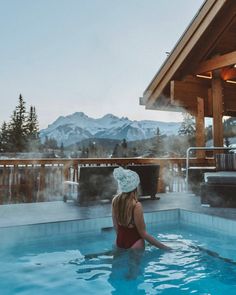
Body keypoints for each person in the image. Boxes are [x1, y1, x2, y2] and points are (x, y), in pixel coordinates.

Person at [112, 166, 171, 250]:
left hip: (120, 241)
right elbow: (143, 233)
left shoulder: (115, 200)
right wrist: (165, 247)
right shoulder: (136, 205)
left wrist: (122, 239)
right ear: (135, 187)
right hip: (135, 243)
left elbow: (116, 226)